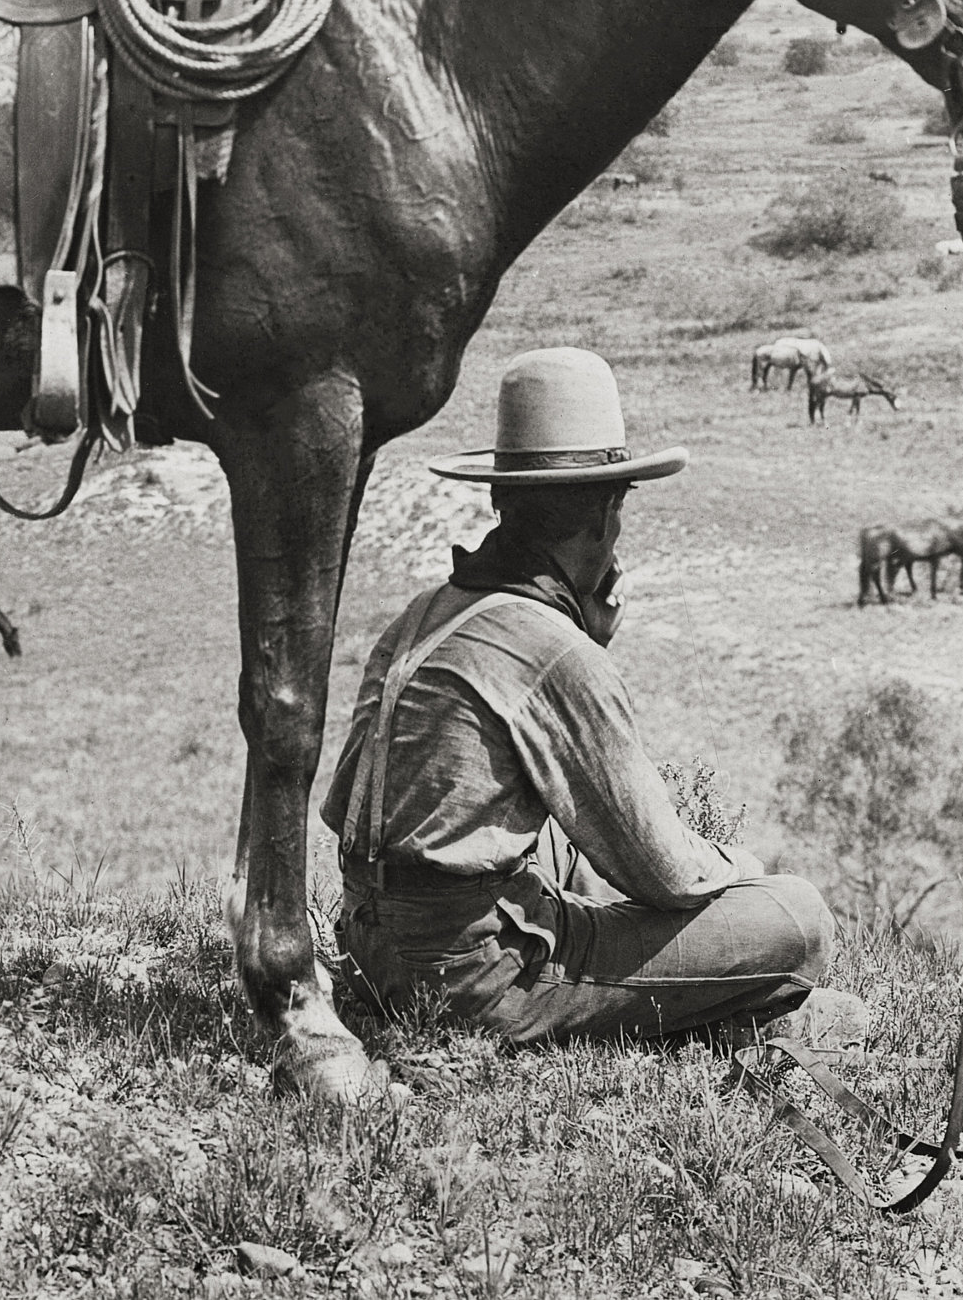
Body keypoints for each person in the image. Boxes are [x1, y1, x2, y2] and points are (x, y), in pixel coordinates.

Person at [321, 346, 833, 1043]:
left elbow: (344, 807)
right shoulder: (555, 650)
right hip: (476, 978)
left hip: (367, 948)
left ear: (502, 499)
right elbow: (667, 873)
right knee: (799, 917)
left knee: (569, 849)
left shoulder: (422, 614)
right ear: (604, 514)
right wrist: (743, 870)